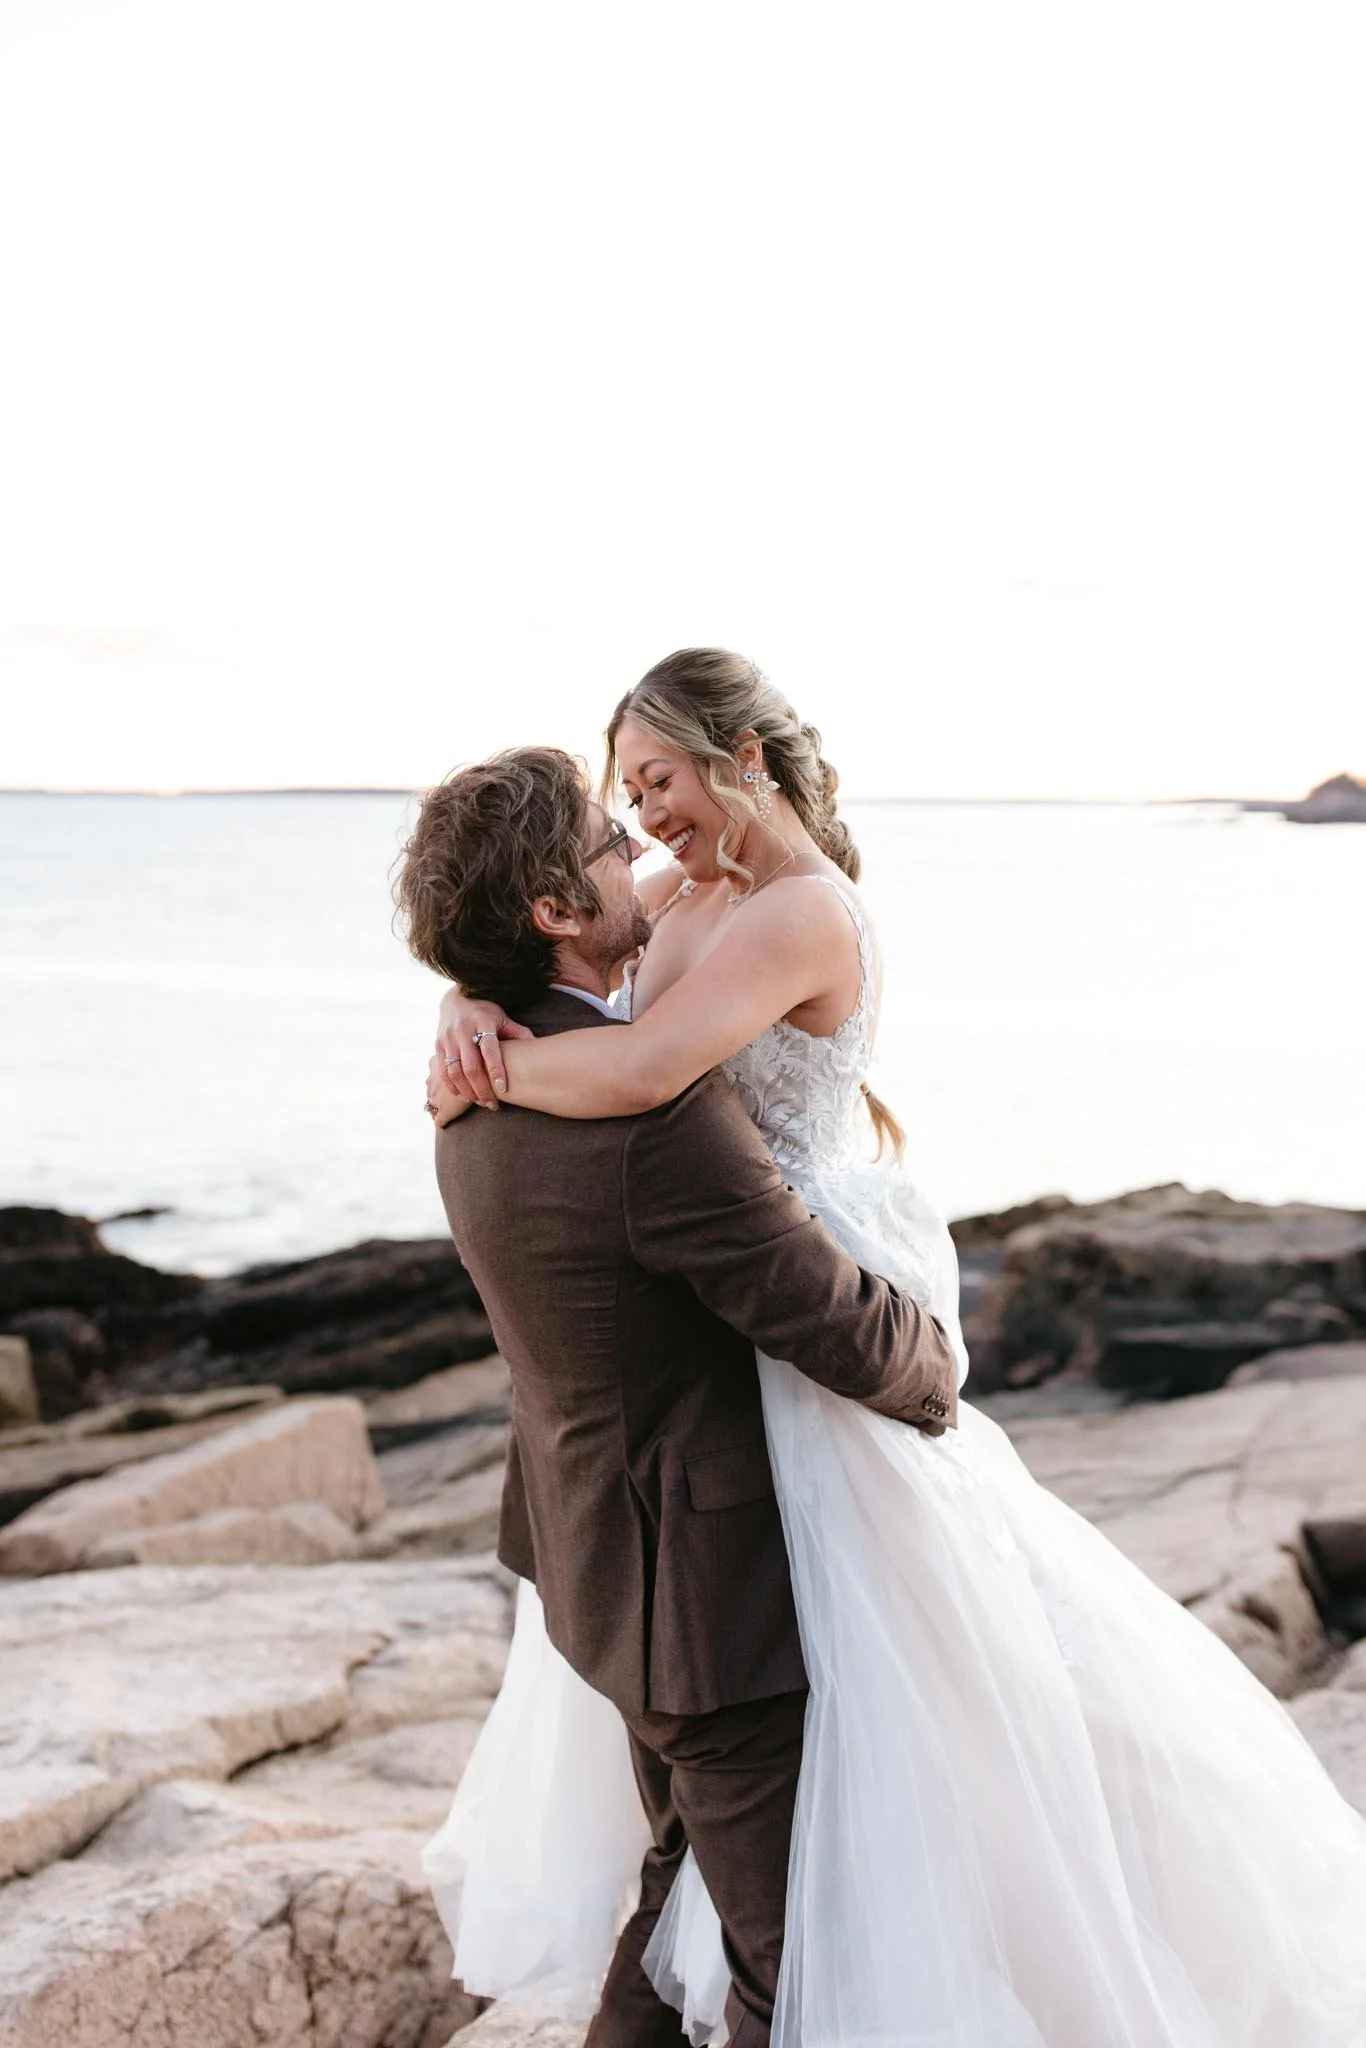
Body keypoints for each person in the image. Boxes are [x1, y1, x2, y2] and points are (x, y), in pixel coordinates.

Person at [416, 651, 1366, 2048]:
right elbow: (645, 1096)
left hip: (650, 1487)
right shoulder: (664, 998)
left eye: (654, 786)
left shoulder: (768, 928)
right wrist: (468, 1004)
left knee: (780, 1826)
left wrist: (475, 1037)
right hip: (723, 1476)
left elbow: (620, 1055)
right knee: (784, 1919)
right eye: (619, 807)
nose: (639, 828)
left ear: (741, 759)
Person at [395, 743, 959, 2048]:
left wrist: (449, 1004)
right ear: (552, 911)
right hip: (704, 1598)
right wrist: (939, 1380)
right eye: (606, 845)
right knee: (782, 1956)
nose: (635, 852)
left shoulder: (473, 1084)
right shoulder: (650, 1114)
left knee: (675, 1891)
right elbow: (809, 1305)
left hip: (594, 1556)